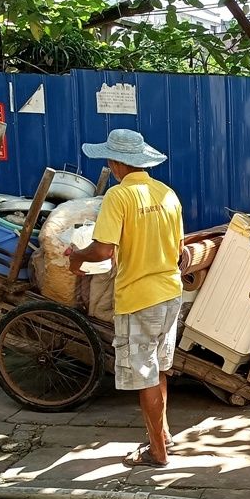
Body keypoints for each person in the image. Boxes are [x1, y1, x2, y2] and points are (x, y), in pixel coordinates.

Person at [67, 129, 183, 468]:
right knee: (159, 367)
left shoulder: (118, 197)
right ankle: (163, 435)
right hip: (169, 293)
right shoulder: (167, 194)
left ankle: (157, 451)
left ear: (116, 162)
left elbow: (102, 248)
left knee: (144, 373)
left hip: (139, 296)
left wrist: (76, 257)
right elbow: (176, 248)